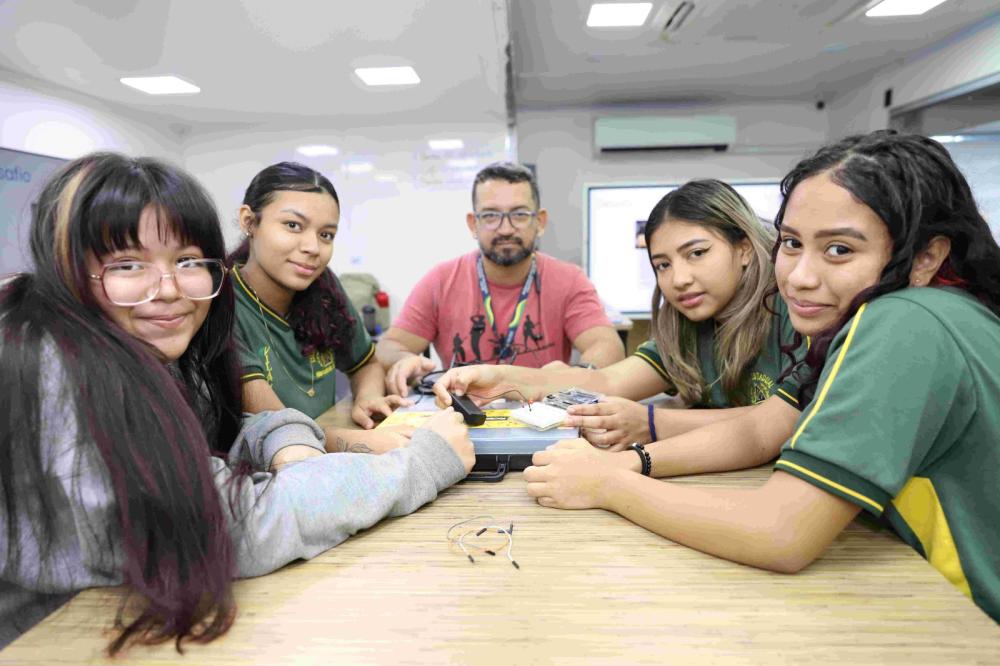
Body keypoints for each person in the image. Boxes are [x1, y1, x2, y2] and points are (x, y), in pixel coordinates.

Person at [514, 132, 1000, 623]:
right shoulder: (923, 312)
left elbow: (781, 532)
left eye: (839, 249)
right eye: (791, 243)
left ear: (925, 257)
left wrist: (608, 484)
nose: (799, 277)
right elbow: (762, 425)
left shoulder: (902, 323)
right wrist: (630, 461)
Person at [0, 153, 475, 652]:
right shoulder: (53, 372)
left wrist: (289, 440)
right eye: (128, 265)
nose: (169, 290)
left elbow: (222, 423)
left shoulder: (153, 343)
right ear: (67, 268)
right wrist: (421, 463)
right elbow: (236, 523)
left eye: (188, 261)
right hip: (51, 642)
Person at [434, 179, 801, 447]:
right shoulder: (687, 327)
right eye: (663, 265)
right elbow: (608, 382)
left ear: (744, 249)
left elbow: (786, 420)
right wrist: (499, 378)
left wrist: (654, 423)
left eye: (697, 253)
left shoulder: (794, 313)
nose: (679, 279)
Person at [377, 162, 625, 396]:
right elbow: (388, 347)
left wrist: (579, 375)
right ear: (473, 224)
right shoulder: (441, 281)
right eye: (491, 215)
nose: (506, 229)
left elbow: (608, 345)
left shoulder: (569, 280)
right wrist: (404, 360)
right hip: (462, 414)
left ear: (539, 222)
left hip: (543, 413)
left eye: (519, 214)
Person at [229, 162, 411, 454]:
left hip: (325, 458)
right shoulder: (222, 304)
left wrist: (367, 397)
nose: (313, 248)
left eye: (326, 235)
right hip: (273, 465)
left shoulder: (323, 285)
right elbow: (282, 430)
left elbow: (366, 364)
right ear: (249, 221)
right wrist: (368, 443)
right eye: (293, 226)